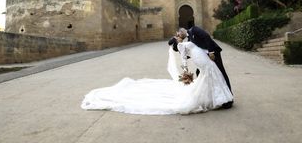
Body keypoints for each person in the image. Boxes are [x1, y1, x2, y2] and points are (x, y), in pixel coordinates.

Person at [81, 37, 233, 115]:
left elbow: (193, 53)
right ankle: (220, 99)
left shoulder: (187, 44)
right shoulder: (183, 46)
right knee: (205, 80)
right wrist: (186, 72)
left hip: (203, 61)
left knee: (206, 79)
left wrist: (206, 54)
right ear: (177, 42)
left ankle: (219, 98)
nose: (180, 39)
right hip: (203, 63)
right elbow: (185, 58)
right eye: (178, 40)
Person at [174, 26, 233, 108]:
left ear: (181, 31)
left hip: (213, 52)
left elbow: (206, 36)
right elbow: (191, 53)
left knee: (221, 72)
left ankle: (229, 97)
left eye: (178, 34)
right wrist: (180, 48)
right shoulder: (189, 39)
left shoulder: (194, 29)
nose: (179, 36)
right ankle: (211, 96)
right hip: (205, 58)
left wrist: (211, 52)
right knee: (200, 73)